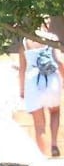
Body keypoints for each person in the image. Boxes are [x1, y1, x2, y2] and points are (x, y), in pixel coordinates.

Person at [19, 23, 64, 156]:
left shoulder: (25, 41)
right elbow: (60, 62)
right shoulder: (52, 38)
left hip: (33, 82)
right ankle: (54, 144)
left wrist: (21, 90)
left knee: (39, 125)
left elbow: (22, 68)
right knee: (55, 112)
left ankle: (44, 156)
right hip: (51, 79)